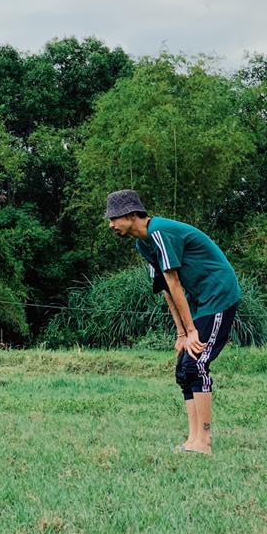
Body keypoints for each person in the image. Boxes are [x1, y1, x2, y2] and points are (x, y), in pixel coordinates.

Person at [106, 190, 241, 455]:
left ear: (131, 215)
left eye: (114, 218)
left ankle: (204, 441)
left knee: (196, 363)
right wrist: (181, 333)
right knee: (183, 369)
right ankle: (193, 439)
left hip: (218, 293)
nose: (111, 224)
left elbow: (175, 281)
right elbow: (167, 289)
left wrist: (192, 331)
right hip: (199, 300)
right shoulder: (143, 244)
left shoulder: (159, 232)